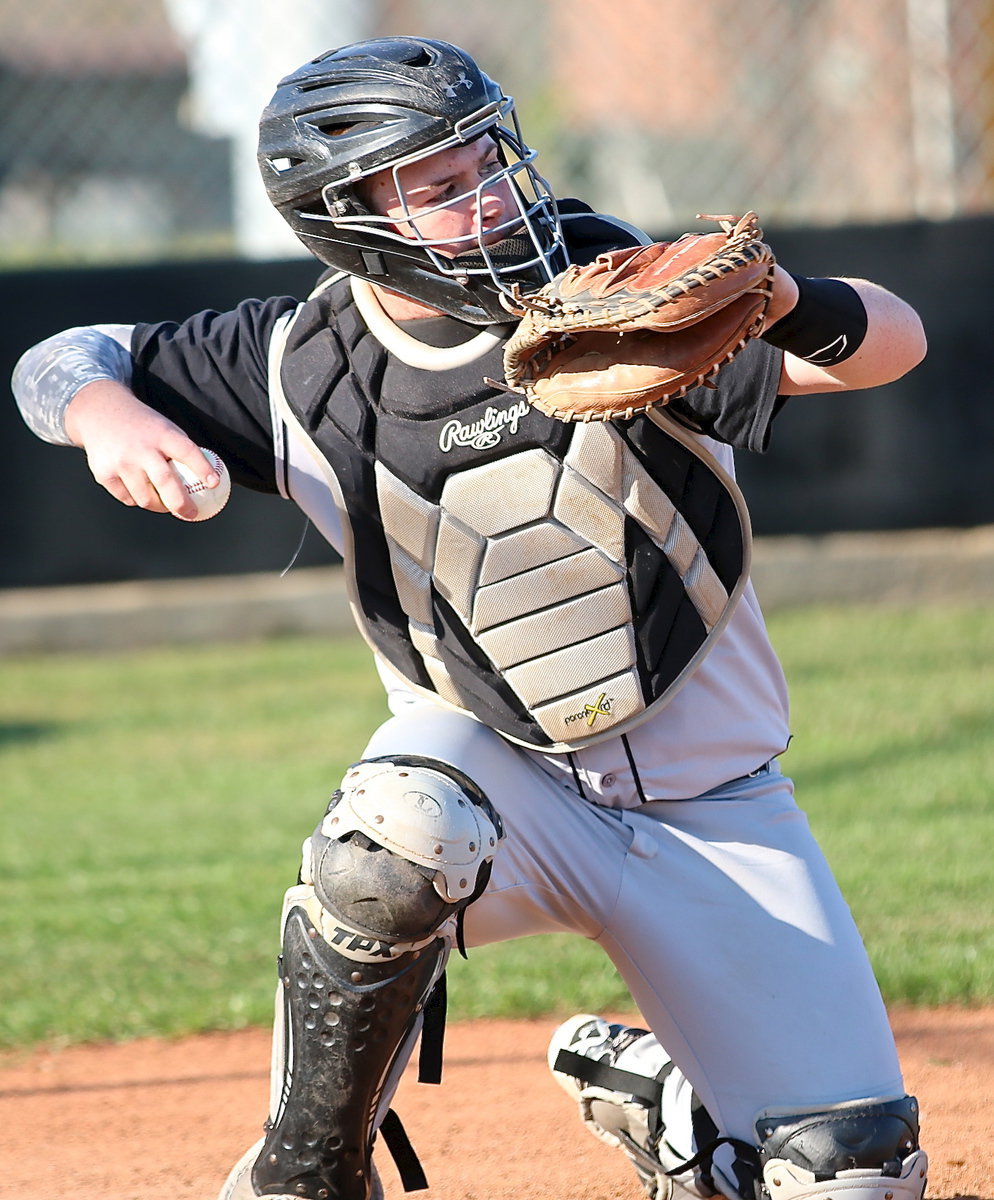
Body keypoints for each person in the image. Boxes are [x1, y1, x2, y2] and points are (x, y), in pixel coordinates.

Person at [12, 36, 929, 1200]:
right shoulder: (301, 361)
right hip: (497, 791)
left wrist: (785, 302)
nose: (487, 192)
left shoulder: (605, 289)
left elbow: (894, 342)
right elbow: (62, 357)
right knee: (395, 827)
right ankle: (306, 1169)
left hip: (716, 805)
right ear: (348, 217)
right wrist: (107, 419)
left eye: (485, 157)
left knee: (853, 1177)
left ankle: (680, 1115)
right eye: (438, 185)